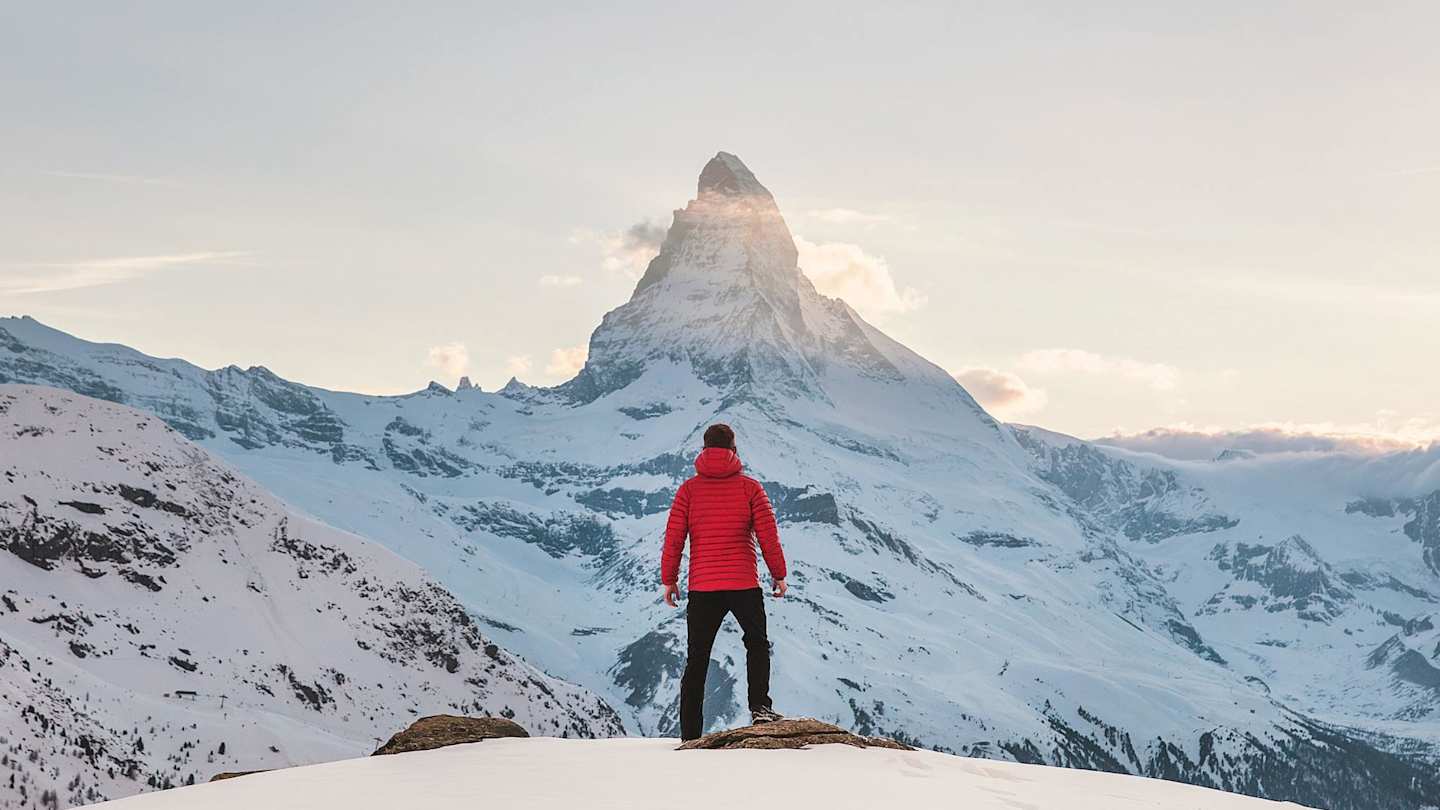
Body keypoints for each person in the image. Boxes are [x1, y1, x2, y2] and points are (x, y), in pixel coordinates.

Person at [661, 423, 788, 741]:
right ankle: (760, 708)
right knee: (756, 645)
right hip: (744, 583)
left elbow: (674, 538)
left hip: (703, 587)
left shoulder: (688, 490)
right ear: (734, 449)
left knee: (697, 657)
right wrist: (779, 574)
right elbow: (767, 536)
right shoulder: (750, 488)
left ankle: (690, 734)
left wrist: (669, 579)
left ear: (703, 449)